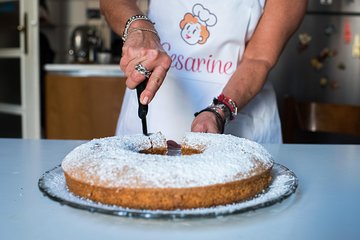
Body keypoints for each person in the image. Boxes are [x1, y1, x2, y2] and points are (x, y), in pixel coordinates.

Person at [100, 0, 308, 143]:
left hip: (238, 119)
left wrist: (219, 112)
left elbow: (259, 58)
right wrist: (138, 27)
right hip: (153, 112)